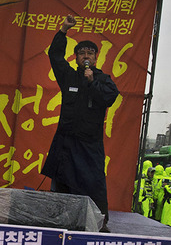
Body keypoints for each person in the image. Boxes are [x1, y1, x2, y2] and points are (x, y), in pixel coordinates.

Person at [42, 13, 120, 230]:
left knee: (93, 185)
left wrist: (92, 81)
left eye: (90, 53)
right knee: (62, 185)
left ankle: (99, 224)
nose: (86, 56)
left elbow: (109, 98)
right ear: (76, 57)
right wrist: (63, 30)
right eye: (82, 53)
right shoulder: (68, 76)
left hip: (89, 144)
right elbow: (55, 56)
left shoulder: (103, 80)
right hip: (66, 141)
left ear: (96, 59)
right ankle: (59, 224)